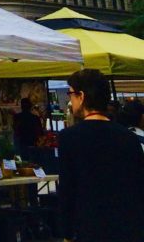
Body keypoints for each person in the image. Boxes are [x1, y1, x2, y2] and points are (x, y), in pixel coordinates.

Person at [58, 68, 144, 242]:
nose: (70, 99)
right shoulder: (129, 137)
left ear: (81, 96)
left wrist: (66, 233)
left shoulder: (69, 137)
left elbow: (67, 189)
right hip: (127, 226)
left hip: (89, 225)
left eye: (71, 94)